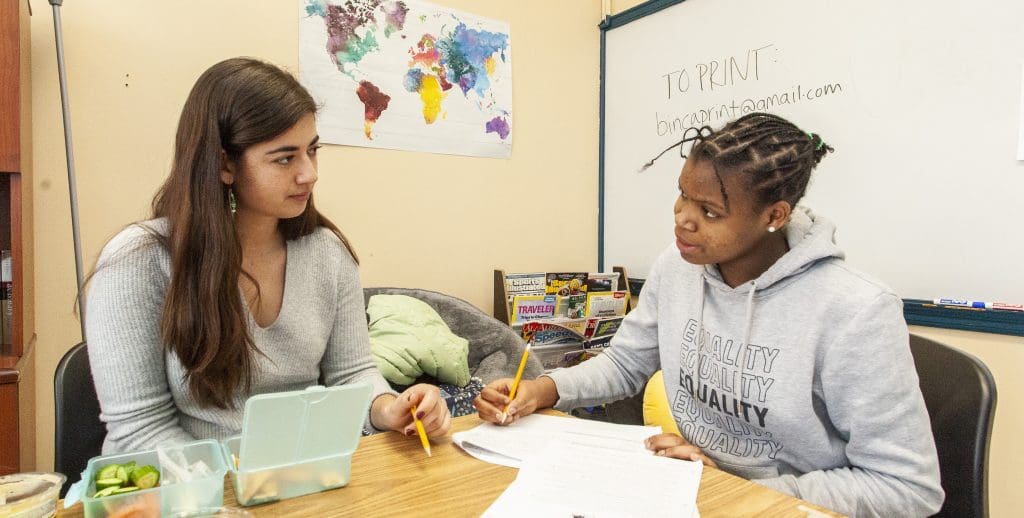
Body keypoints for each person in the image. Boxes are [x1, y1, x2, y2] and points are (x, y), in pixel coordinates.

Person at [474, 113, 944, 517]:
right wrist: (544, 390)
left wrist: (736, 493)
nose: (682, 218)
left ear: (775, 216)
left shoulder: (857, 312)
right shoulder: (678, 266)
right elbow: (627, 363)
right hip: (696, 494)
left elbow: (907, 488)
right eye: (682, 195)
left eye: (710, 211)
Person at [86, 57, 450, 454]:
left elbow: (352, 374)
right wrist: (240, 480)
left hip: (301, 474)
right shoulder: (135, 261)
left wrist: (388, 408)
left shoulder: (328, 253)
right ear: (224, 164)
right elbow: (140, 429)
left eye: (312, 150)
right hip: (186, 482)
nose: (309, 173)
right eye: (284, 158)